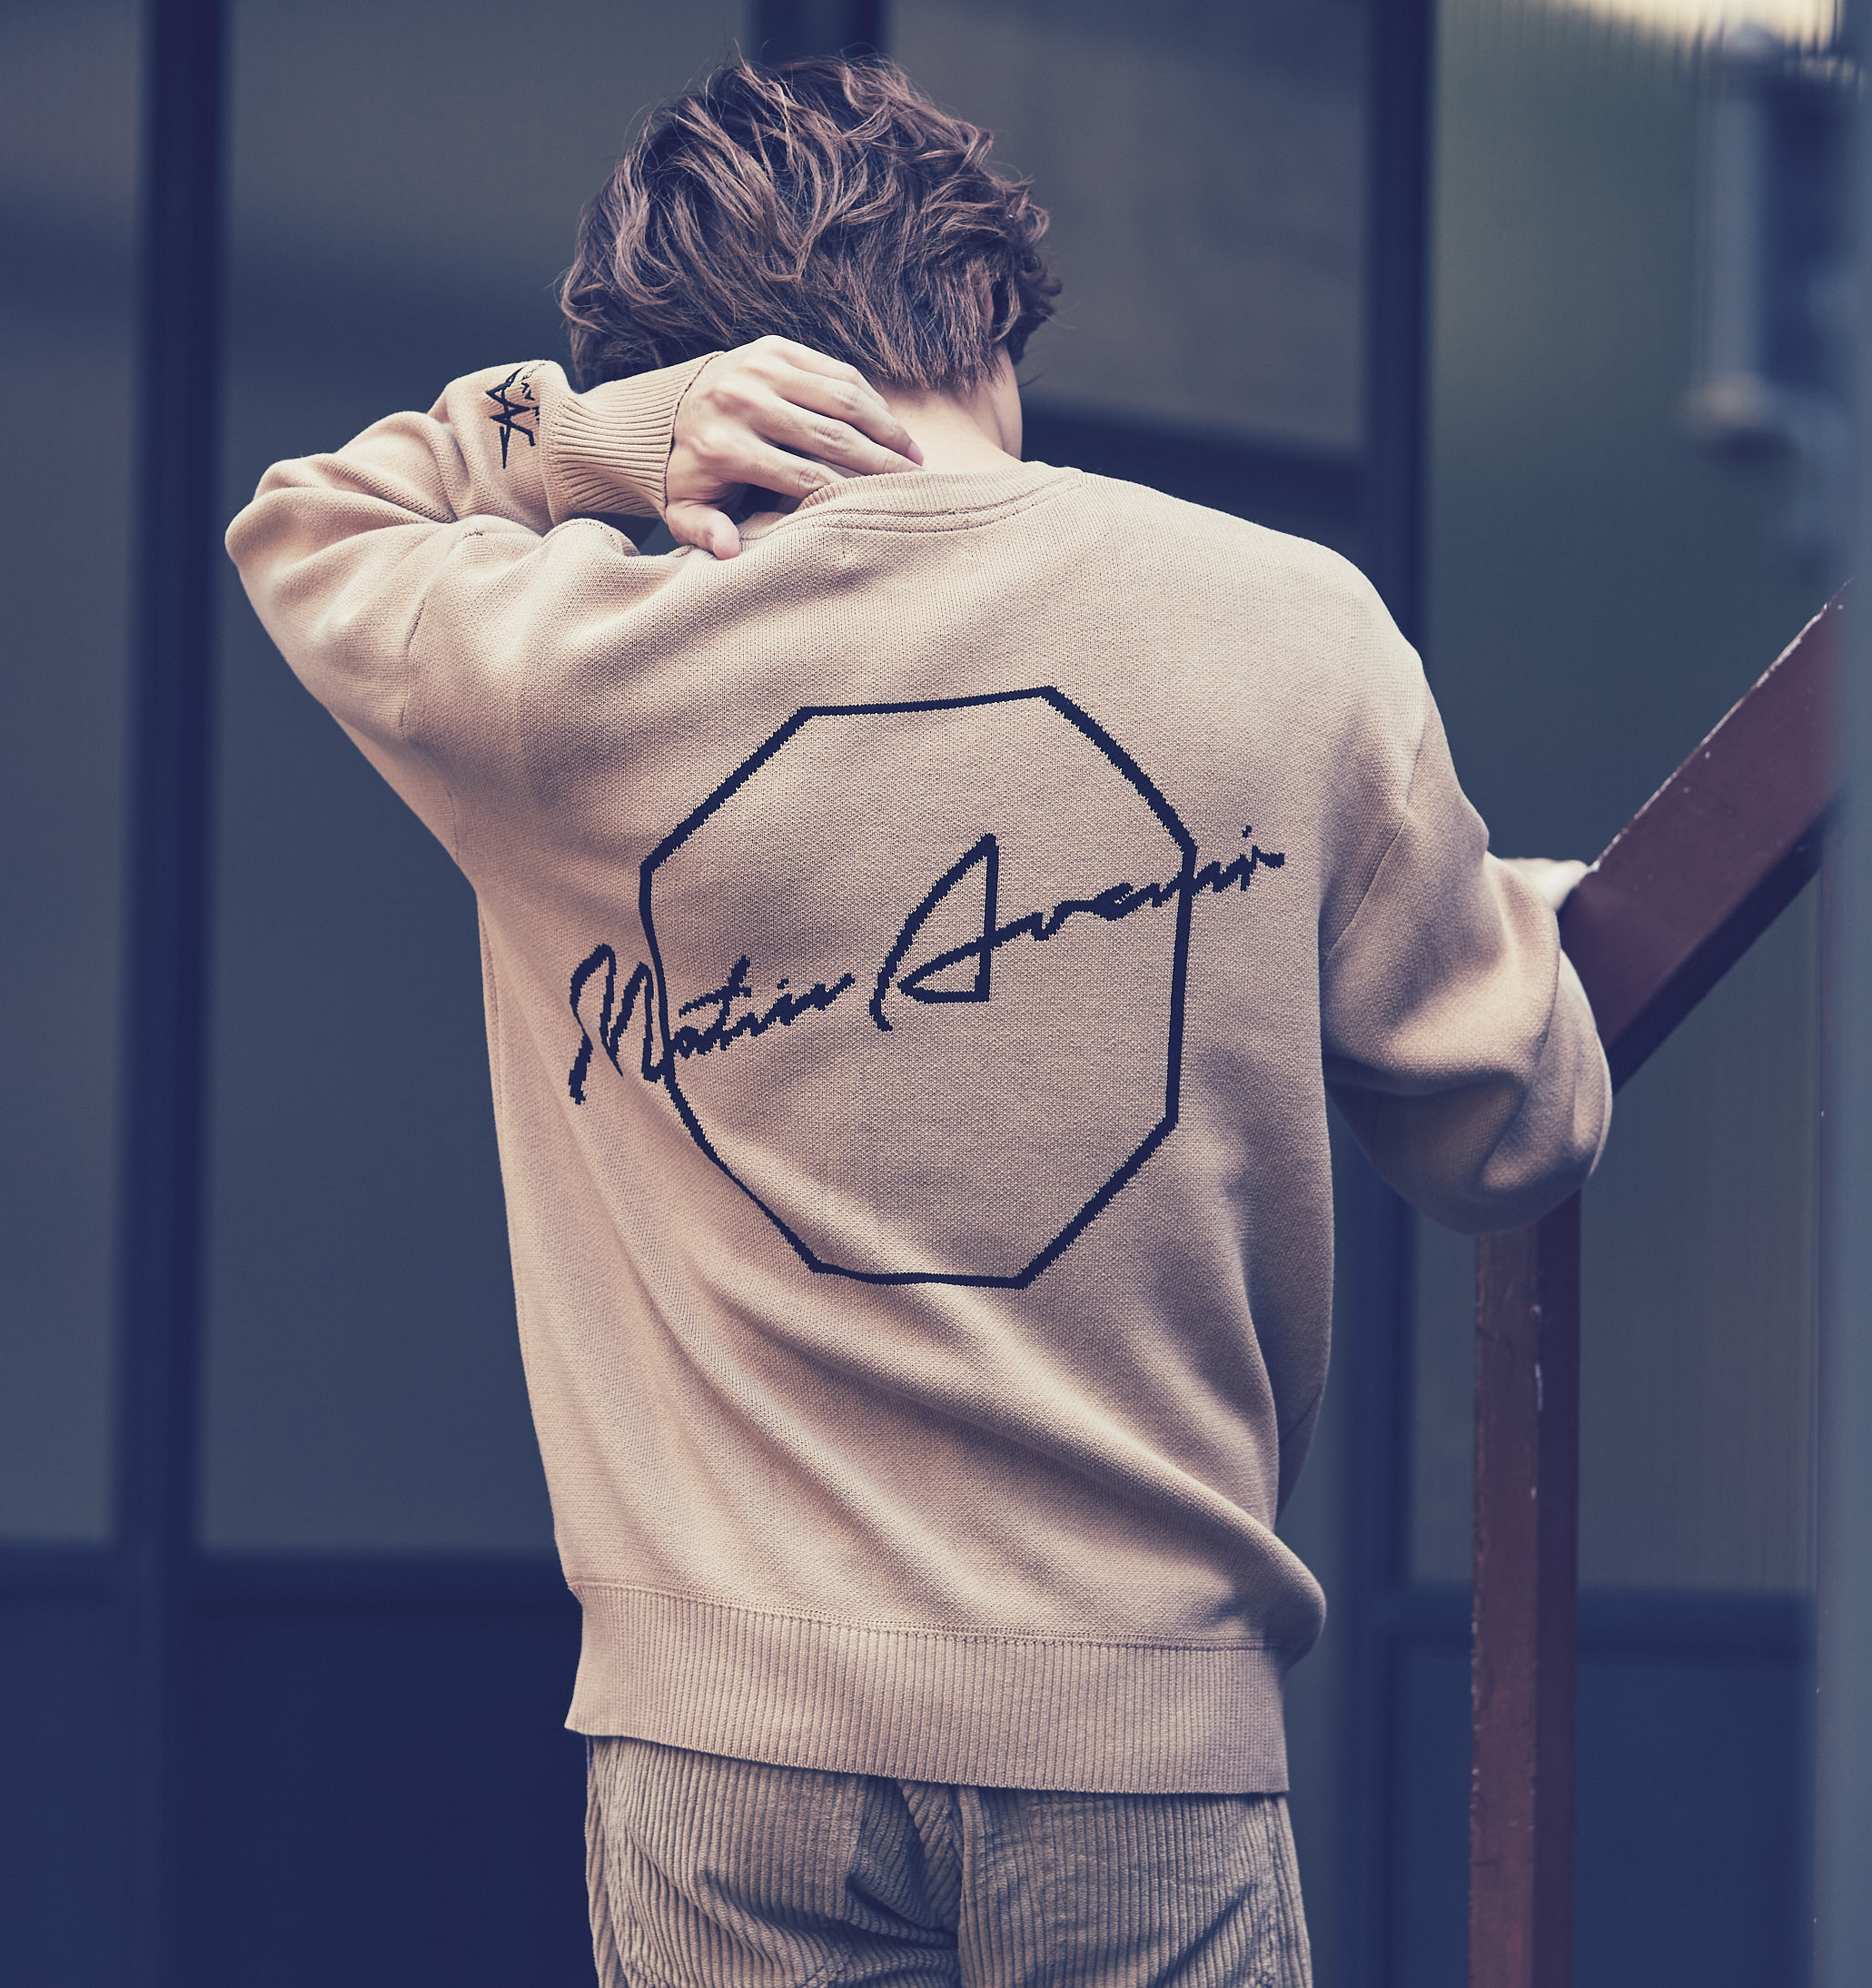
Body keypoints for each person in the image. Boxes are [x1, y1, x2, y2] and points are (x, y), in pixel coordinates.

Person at [226, 55, 1606, 1988]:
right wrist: (1498, 916)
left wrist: (598, 441)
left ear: (695, 374)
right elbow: (1511, 1127)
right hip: (1139, 1735)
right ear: (986, 298)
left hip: (727, 1745)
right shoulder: (1294, 628)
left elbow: (310, 519)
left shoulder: (572, 663)